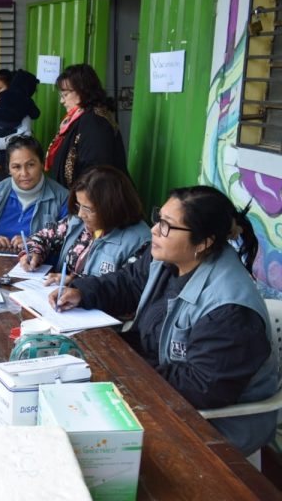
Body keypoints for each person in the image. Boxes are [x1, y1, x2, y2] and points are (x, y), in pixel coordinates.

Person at [52, 186, 277, 455]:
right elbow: (128, 283)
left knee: (85, 441)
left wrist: (122, 368)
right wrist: (82, 292)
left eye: (167, 226)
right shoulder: (168, 256)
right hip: (155, 383)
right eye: (159, 219)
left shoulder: (231, 312)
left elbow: (201, 387)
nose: (154, 230)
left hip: (215, 423)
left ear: (203, 242)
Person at [20, 165, 149, 285]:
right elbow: (43, 237)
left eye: (88, 209)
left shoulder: (140, 243)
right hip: (58, 296)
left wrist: (75, 284)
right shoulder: (78, 222)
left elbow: (125, 287)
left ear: (112, 207)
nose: (81, 214)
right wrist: (34, 253)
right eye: (79, 205)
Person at [0, 136, 68, 249]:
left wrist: (36, 244)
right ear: (8, 169)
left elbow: (70, 246)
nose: (24, 173)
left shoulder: (63, 199)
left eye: (31, 165)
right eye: (16, 167)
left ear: (42, 164)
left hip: (39, 261)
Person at [45, 63, 128, 188]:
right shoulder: (82, 117)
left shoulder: (95, 122)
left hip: (92, 196)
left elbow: (95, 173)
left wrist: (80, 198)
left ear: (82, 91)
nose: (62, 101)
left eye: (65, 95)